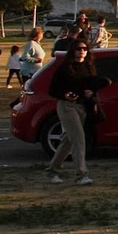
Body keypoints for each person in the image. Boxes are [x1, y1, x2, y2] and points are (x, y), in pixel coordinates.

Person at [46, 40, 110, 185]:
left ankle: (52, 170)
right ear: (72, 51)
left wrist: (91, 91)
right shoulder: (65, 68)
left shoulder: (88, 67)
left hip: (82, 107)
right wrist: (65, 95)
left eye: (84, 49)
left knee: (69, 140)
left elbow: (96, 83)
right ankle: (82, 174)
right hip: (67, 106)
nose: (81, 51)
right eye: (78, 49)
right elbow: (52, 90)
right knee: (79, 139)